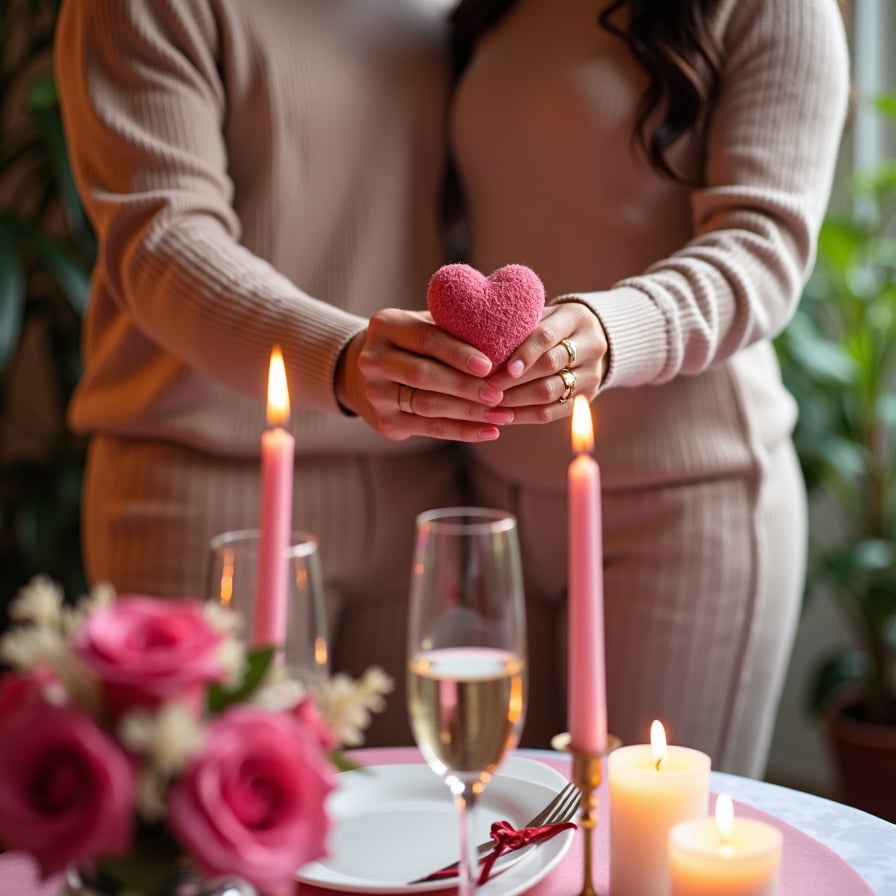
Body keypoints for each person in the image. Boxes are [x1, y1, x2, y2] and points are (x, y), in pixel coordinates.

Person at [53, 0, 514, 747]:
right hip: (203, 491)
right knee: (210, 856)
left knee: (423, 847)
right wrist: (341, 358)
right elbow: (163, 235)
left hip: (419, 486)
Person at [440, 0, 850, 775]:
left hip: (687, 505)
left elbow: (763, 249)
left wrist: (607, 328)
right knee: (519, 848)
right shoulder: (497, 8)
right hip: (499, 496)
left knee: (648, 855)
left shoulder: (777, 10)